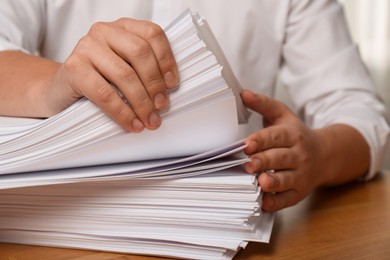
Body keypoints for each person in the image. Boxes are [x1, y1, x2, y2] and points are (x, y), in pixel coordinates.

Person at [0, 0, 389, 212]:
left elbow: (361, 114)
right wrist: (54, 84)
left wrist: (319, 153)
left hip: (225, 221)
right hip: (66, 212)